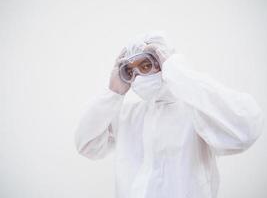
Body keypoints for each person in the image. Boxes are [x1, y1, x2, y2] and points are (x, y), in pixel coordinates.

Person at [74, 31, 264, 198]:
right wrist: (112, 93)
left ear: (165, 62)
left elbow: (245, 129)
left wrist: (178, 72)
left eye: (146, 65)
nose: (138, 76)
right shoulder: (127, 115)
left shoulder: (198, 111)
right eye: (130, 70)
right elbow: (87, 146)